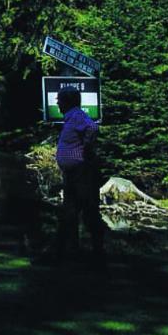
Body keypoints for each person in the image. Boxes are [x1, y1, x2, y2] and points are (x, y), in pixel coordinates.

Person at [54, 85, 107, 265]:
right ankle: (70, 252)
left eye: (59, 99)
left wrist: (86, 148)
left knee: (87, 212)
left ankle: (96, 254)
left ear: (67, 101)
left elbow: (92, 128)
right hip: (73, 174)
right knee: (69, 213)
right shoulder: (71, 118)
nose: (57, 103)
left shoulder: (76, 115)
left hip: (82, 173)